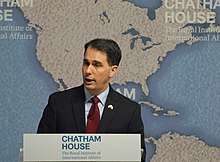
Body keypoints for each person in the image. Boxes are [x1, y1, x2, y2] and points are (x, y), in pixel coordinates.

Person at [37, 38, 146, 161]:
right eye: (86, 63)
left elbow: (138, 157)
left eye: (96, 65)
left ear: (113, 70)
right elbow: (41, 152)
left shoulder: (129, 111)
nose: (88, 71)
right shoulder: (59, 103)